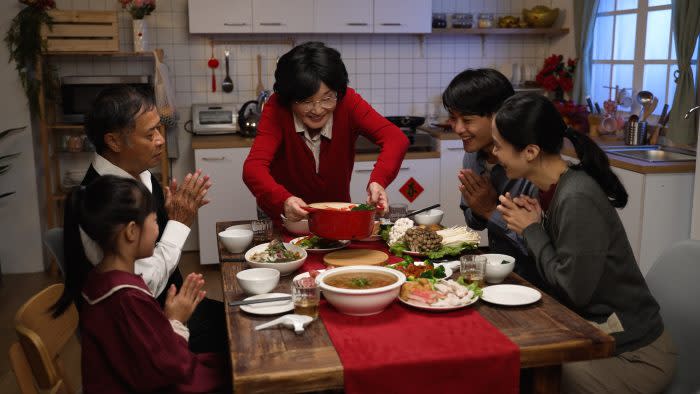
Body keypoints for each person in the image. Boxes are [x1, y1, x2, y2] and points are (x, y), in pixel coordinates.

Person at [492, 93, 676, 393]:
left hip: (632, 355)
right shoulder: (552, 189)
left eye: (499, 145)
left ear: (530, 151)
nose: (495, 153)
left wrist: (533, 231)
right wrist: (538, 225)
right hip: (595, 335)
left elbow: (573, 289)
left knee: (519, 372)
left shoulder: (576, 196)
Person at [55, 85, 226, 354]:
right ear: (114, 142)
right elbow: (142, 286)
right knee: (244, 340)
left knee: (245, 315)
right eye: (150, 134)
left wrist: (167, 217)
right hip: (146, 333)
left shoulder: (140, 173)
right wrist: (178, 225)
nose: (160, 140)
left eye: (160, 129)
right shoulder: (102, 202)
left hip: (174, 306)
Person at [51, 175, 229, 393]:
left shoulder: (100, 280)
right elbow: (169, 367)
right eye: (155, 221)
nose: (158, 228)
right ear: (131, 231)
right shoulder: (126, 297)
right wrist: (176, 320)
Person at [243, 41, 409, 221]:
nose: (318, 110)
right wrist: (284, 200)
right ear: (289, 98)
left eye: (327, 98)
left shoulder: (348, 101)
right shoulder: (277, 107)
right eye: (306, 101)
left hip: (335, 216)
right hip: (285, 217)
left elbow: (395, 138)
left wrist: (378, 181)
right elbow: (253, 168)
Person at [441, 69, 543, 288]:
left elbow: (541, 249)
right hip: (499, 275)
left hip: (537, 285)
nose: (458, 129)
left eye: (467, 120)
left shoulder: (529, 163)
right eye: (452, 118)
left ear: (499, 115)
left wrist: (489, 209)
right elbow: (473, 221)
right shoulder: (472, 154)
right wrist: (478, 208)